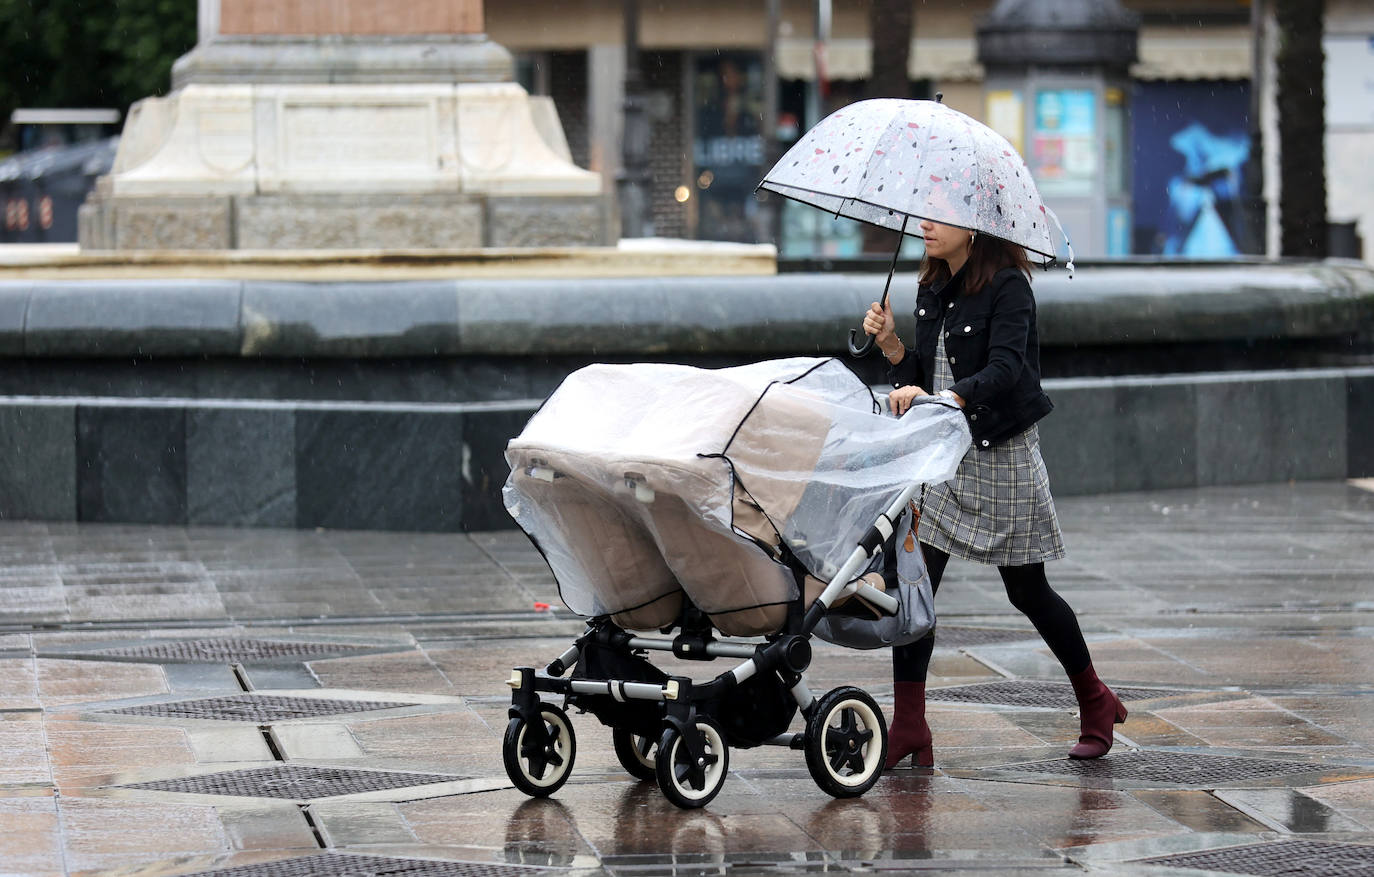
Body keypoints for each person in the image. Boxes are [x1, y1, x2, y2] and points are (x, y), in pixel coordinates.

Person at [861, 219, 1126, 768]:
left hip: (999, 452)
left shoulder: (1009, 286)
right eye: (924, 214)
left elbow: (1007, 369)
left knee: (1027, 591)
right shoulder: (931, 286)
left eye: (941, 215)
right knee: (915, 586)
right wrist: (890, 347)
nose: (927, 225)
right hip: (944, 457)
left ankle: (1096, 701)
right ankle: (910, 723)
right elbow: (926, 378)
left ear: (975, 226)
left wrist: (948, 400)